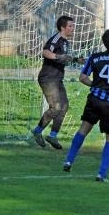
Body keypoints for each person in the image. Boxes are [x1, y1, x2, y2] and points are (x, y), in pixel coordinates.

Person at [62, 28, 109, 182]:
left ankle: (69, 160)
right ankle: (101, 173)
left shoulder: (94, 58)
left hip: (94, 100)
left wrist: (95, 85)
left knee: (83, 130)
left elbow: (82, 77)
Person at [32, 15, 86, 149]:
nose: (73, 28)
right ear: (63, 27)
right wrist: (57, 56)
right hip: (48, 78)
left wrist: (75, 60)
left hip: (57, 79)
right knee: (55, 107)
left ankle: (53, 135)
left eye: (73, 26)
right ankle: (37, 131)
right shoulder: (55, 39)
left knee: (64, 107)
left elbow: (64, 58)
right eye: (70, 26)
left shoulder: (66, 42)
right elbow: (45, 52)